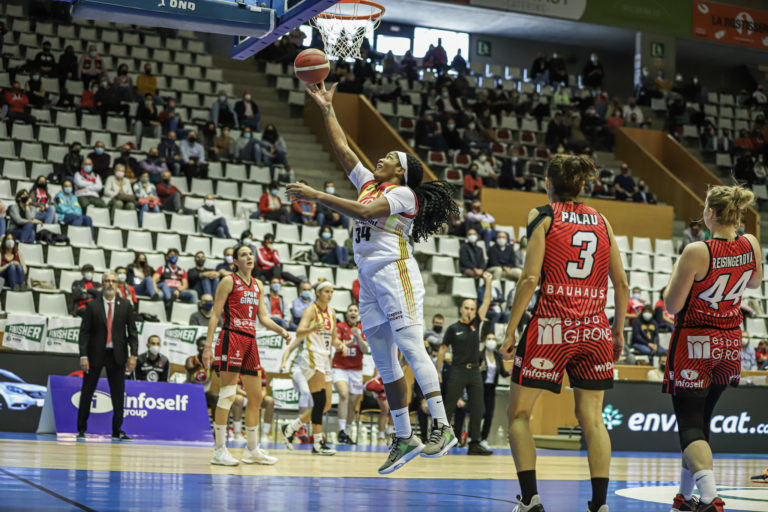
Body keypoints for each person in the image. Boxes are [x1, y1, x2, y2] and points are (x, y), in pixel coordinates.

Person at [289, 81, 460, 474]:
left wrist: (317, 196)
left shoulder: (405, 196)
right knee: (385, 363)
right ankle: (405, 436)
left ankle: (444, 426)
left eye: (388, 157)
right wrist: (327, 108)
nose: (379, 159)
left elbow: (364, 214)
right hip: (368, 278)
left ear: (401, 170)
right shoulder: (369, 183)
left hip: (394, 271)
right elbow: (343, 150)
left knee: (412, 347)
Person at [499, 155, 628, 512]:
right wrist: (617, 331)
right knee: (593, 418)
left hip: (551, 326)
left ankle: (530, 500)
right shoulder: (603, 221)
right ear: (582, 185)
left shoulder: (542, 215)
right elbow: (621, 283)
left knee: (519, 414)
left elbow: (529, 279)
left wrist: (510, 331)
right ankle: (600, 505)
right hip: (594, 329)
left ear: (547, 183)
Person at [661, 185, 761, 512]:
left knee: (690, 423)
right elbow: (755, 282)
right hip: (730, 342)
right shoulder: (752, 244)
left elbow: (673, 304)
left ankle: (709, 498)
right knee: (702, 423)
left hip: (695, 342)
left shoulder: (697, 250)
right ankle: (683, 496)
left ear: (711, 214)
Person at [201, 244, 290, 466]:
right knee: (228, 394)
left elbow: (263, 317)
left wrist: (281, 330)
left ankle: (252, 450)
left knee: (256, 397)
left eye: (251, 254)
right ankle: (219, 450)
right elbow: (215, 315)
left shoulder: (258, 285)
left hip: (250, 340)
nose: (249, 257)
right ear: (235, 262)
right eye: (244, 255)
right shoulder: (228, 281)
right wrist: (208, 346)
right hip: (231, 337)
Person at [279, 280, 345, 455]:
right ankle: (317, 444)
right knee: (320, 401)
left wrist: (340, 345)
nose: (329, 295)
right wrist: (313, 328)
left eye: (331, 292)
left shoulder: (332, 312)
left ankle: (291, 427)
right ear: (318, 293)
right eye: (326, 291)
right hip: (311, 356)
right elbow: (299, 332)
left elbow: (334, 338)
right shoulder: (311, 310)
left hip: (325, 358)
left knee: (326, 405)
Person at [436, 272, 494, 455]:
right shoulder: (453, 329)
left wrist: (488, 281)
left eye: (472, 308)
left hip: (475, 371)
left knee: (478, 408)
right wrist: (438, 371)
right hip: (458, 371)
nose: (469, 311)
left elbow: (487, 301)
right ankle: (440, 440)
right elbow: (442, 350)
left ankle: (474, 443)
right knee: (449, 406)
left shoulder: (476, 323)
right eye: (466, 308)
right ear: (461, 309)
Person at [77, 272, 138, 440]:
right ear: (102, 284)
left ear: (118, 285)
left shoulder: (125, 305)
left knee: (118, 395)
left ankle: (117, 430)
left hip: (117, 355)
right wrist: (83, 355)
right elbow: (84, 333)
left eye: (113, 281)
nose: (110, 284)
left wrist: (134, 355)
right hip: (95, 354)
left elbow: (132, 332)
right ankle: (81, 429)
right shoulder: (92, 306)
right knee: (87, 392)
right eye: (107, 281)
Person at [332, 304, 369, 444]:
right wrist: (351, 340)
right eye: (350, 310)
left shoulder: (362, 328)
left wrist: (358, 337)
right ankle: (341, 430)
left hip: (356, 370)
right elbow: (337, 345)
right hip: (340, 367)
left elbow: (365, 349)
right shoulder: (340, 326)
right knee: (343, 394)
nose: (353, 312)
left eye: (355, 311)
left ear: (358, 314)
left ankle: (346, 433)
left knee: (353, 403)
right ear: (347, 313)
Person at [479, 331, 509, 449]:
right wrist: (478, 369)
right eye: (489, 338)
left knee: (489, 414)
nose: (491, 341)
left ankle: (483, 439)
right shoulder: (480, 355)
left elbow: (502, 372)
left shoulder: (497, 356)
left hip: (491, 388)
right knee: (480, 413)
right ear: (485, 341)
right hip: (480, 387)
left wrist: (511, 372)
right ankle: (474, 437)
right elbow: (471, 367)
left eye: (493, 339)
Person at [187, 337, 218, 413]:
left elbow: (219, 373)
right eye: (201, 346)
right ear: (197, 347)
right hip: (190, 393)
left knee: (214, 397)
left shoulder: (212, 361)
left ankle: (216, 424)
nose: (203, 348)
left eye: (205, 346)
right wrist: (195, 367)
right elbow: (189, 369)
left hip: (204, 394)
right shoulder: (191, 359)